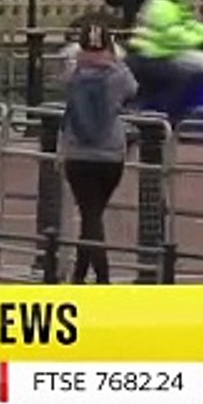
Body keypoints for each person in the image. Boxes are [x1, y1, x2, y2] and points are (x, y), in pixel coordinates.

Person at [59, 23, 137, 283]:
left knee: (90, 216)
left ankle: (99, 278)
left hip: (78, 153)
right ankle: (83, 277)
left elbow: (64, 86)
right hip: (111, 154)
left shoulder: (73, 72)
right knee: (93, 216)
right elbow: (133, 90)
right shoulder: (118, 73)